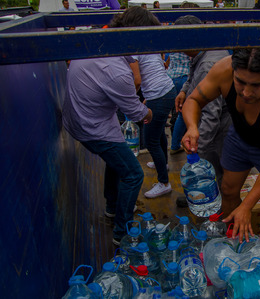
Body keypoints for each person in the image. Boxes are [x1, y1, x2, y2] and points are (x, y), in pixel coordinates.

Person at [180, 48, 260, 267]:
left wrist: (247, 207)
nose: (245, 92)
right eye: (240, 82)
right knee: (228, 190)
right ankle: (233, 245)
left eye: (256, 85)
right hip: (239, 136)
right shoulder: (224, 69)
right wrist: (192, 127)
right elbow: (193, 100)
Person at [62, 7, 155, 246]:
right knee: (133, 174)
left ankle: (112, 207)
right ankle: (121, 233)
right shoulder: (116, 72)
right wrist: (148, 112)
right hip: (92, 128)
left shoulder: (98, 42)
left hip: (82, 118)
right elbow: (135, 112)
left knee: (118, 162)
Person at [175, 15, 231, 197]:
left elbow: (211, 116)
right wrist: (184, 90)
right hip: (215, 124)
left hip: (218, 130)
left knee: (214, 172)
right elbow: (193, 74)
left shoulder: (208, 64)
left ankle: (215, 210)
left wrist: (198, 149)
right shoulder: (204, 51)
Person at [132, 26, 178, 199]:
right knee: (157, 133)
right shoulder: (147, 47)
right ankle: (163, 164)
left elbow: (137, 80)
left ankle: (164, 183)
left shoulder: (133, 50)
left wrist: (129, 100)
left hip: (159, 95)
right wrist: (148, 99)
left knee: (150, 139)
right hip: (166, 90)